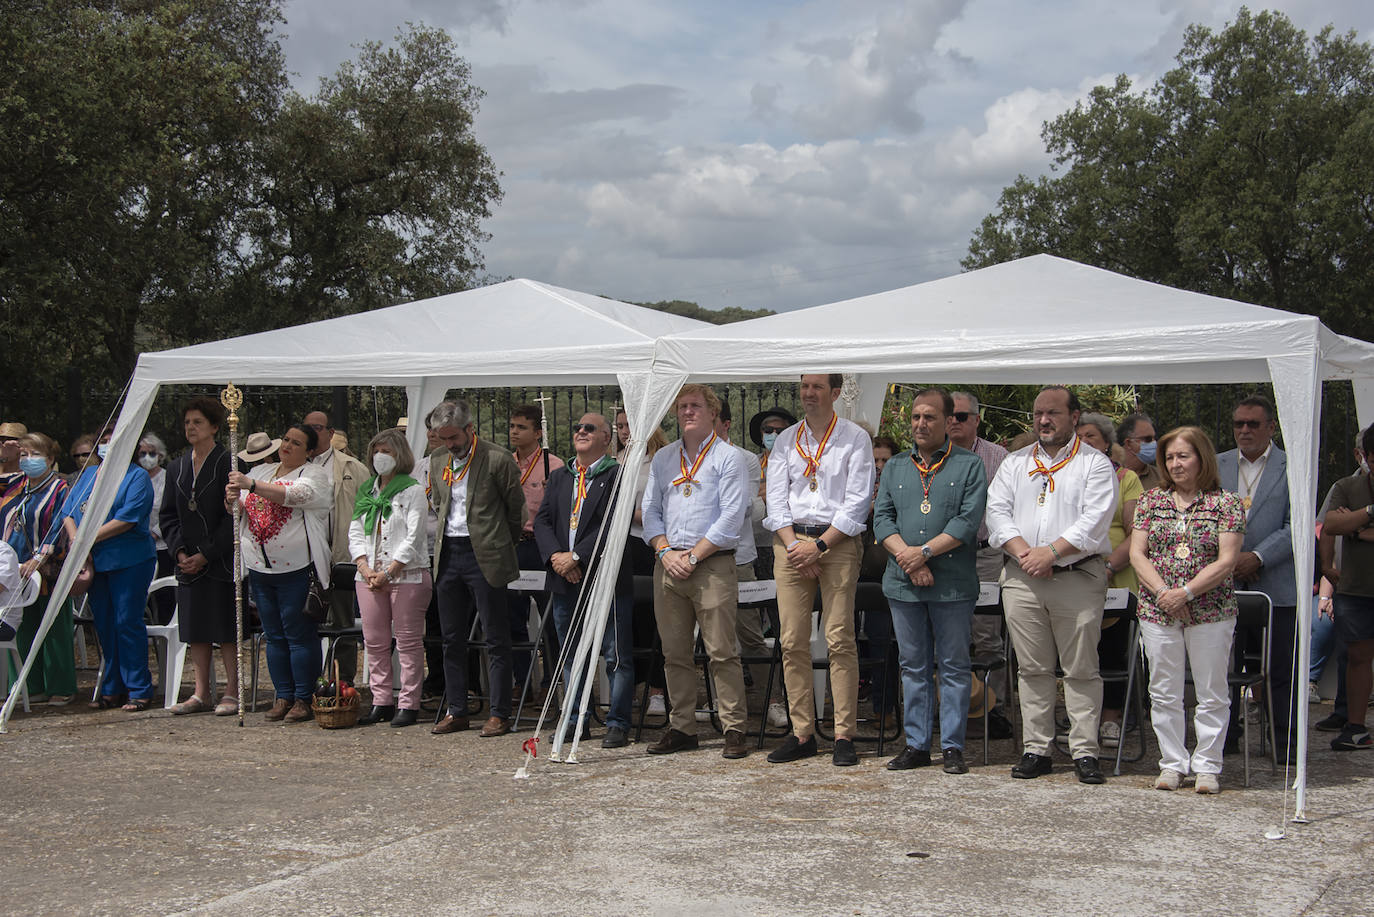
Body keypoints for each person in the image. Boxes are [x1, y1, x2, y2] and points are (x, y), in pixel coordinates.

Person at [985, 385, 1116, 784]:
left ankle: (1084, 752)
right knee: (1032, 668)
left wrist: (1051, 553)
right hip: (1023, 578)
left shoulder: (1094, 464)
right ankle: (1036, 749)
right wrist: (1027, 553)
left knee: (1080, 669)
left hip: (1076, 577)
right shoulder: (1015, 462)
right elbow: (996, 511)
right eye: (1039, 413)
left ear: (1074, 417)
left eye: (1053, 413)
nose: (1043, 420)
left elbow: (1093, 521)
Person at [873, 388, 987, 775]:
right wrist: (908, 558)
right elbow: (882, 518)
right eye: (916, 417)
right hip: (903, 582)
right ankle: (917, 744)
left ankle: (953, 746)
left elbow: (967, 523)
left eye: (930, 417)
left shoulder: (969, 465)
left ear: (948, 421)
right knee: (913, 665)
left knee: (953, 664)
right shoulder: (896, 466)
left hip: (951, 582)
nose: (921, 424)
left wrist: (923, 554)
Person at [763, 374, 874, 767]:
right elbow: (775, 500)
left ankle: (844, 734)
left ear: (836, 392)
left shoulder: (854, 438)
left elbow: (857, 502)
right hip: (792, 544)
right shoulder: (785, 440)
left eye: (817, 387)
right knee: (792, 640)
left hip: (837, 544)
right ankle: (802, 732)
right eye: (804, 387)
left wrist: (820, 545)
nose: (809, 394)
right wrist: (795, 546)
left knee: (839, 635)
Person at [1130, 426, 1245, 793]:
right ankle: (1172, 763)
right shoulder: (1151, 501)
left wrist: (1187, 593)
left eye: (1184, 456)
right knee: (1163, 690)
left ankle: (1208, 765)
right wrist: (1165, 592)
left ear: (1202, 458)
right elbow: (1137, 554)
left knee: (1211, 690)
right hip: (1158, 608)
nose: (1176, 464)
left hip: (1210, 609)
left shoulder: (1226, 503)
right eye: (1169, 458)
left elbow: (1227, 560)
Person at [641, 384, 750, 759]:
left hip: (711, 565)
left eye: (695, 406)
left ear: (712, 413)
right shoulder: (664, 459)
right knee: (675, 653)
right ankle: (682, 726)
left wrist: (692, 556)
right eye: (682, 407)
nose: (687, 412)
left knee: (721, 650)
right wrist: (664, 549)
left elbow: (732, 516)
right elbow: (650, 511)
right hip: (668, 564)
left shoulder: (728, 457)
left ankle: (734, 726)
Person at [534, 413, 635, 747]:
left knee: (614, 654)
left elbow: (612, 524)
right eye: (577, 426)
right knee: (570, 652)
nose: (580, 431)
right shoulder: (562, 476)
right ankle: (575, 718)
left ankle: (618, 722)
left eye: (589, 428)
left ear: (607, 438)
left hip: (604, 577)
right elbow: (543, 521)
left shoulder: (618, 475)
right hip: (566, 579)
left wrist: (577, 556)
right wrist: (556, 558)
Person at [427, 400, 525, 738]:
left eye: (453, 437)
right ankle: (457, 709)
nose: (449, 444)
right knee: (451, 638)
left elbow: (516, 511)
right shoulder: (438, 459)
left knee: (496, 637)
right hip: (448, 553)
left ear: (470, 429)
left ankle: (499, 713)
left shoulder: (497, 458)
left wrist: (501, 544)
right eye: (443, 438)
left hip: (485, 553)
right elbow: (439, 503)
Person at [226, 424, 332, 723]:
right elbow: (241, 510)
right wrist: (232, 497)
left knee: (298, 635)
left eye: (296, 443)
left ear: (309, 451)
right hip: (260, 569)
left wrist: (249, 485)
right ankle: (282, 694)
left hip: (296, 569)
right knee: (274, 637)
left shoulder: (314, 475)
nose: (287, 446)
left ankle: (303, 697)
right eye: (285, 439)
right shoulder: (261, 473)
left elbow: (296, 496)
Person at [1217, 395, 1298, 763]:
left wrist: (1258, 557)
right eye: (1239, 424)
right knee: (1224, 666)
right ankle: (1226, 739)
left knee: (1279, 669)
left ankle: (1284, 744)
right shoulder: (1216, 465)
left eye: (1253, 424)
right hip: (1224, 582)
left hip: (1275, 583)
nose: (1245, 430)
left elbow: (1294, 525)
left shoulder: (1293, 465)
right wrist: (1230, 559)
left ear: (1271, 427)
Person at [58, 427, 158, 711]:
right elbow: (68, 511)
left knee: (127, 622)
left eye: (114, 442)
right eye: (103, 442)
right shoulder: (89, 475)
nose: (107, 447)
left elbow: (127, 519)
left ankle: (139, 688)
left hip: (130, 561)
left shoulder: (137, 477)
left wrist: (87, 538)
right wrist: (78, 539)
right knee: (104, 625)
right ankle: (112, 688)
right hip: (95, 561)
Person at [161, 397, 239, 717]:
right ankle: (201, 691)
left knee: (225, 627)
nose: (191, 428)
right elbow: (168, 515)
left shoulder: (228, 461)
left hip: (219, 559)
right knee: (195, 629)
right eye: (187, 423)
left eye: (198, 422)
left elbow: (232, 516)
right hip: (187, 560)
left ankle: (233, 690)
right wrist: (180, 551)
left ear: (214, 427)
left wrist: (207, 553)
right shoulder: (177, 466)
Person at [349, 428, 431, 728]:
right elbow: (356, 530)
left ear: (401, 456)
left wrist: (390, 571)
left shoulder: (412, 490)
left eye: (388, 452)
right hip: (369, 577)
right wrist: (364, 567)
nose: (380, 457)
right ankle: (381, 700)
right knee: (375, 641)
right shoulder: (367, 490)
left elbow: (414, 535)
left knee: (408, 642)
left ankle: (409, 702)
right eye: (376, 451)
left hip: (405, 575)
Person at [947, 390, 1014, 740]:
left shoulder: (999, 457)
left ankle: (993, 706)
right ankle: (952, 706)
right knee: (947, 633)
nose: (954, 422)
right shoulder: (932, 455)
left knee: (986, 633)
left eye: (961, 416)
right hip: (943, 556)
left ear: (976, 419)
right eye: (950, 416)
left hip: (984, 553)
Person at [1076, 412, 1141, 748]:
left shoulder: (1125, 477)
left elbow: (1136, 532)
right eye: (1079, 436)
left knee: (1112, 652)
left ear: (1106, 444)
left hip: (1114, 575)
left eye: (1091, 437)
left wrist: (1109, 567)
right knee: (1079, 653)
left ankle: (1111, 719)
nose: (1083, 442)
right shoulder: (1065, 476)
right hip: (1073, 576)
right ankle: (1081, 721)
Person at [715, 401, 779, 726]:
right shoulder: (682, 458)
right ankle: (723, 705)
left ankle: (772, 699)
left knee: (750, 634)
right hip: (699, 559)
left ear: (725, 423)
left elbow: (750, 510)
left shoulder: (745, 459)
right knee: (714, 638)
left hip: (738, 556)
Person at [3, 432, 76, 703]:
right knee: (23, 627)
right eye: (24, 455)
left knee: (54, 626)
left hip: (49, 567)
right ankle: (29, 686)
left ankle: (60, 686)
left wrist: (40, 557)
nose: (28, 460)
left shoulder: (60, 489)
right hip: (17, 567)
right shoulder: (15, 487)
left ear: (51, 458)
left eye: (35, 454)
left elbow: (60, 525)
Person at [304, 409, 369, 685]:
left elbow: (368, 512)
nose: (311, 432)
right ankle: (307, 684)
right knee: (305, 621)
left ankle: (343, 683)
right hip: (303, 558)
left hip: (341, 556)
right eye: (306, 427)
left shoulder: (352, 467)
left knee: (342, 623)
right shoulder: (293, 465)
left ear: (331, 433)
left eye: (317, 428)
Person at [1319, 423, 1374, 751]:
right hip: (1355, 588)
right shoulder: (1346, 486)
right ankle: (1355, 727)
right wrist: (1367, 513)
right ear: (1366, 457)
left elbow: (1344, 525)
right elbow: (1332, 525)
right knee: (1357, 657)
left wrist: (1358, 529)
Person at [615, 408, 671, 716]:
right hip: (621, 544)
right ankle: (633, 685)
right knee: (628, 618)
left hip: (646, 541)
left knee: (651, 618)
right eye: (620, 426)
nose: (625, 431)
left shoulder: (661, 459)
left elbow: (660, 507)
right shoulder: (617, 460)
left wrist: (628, 514)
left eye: (630, 425)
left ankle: (657, 689)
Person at [507, 404, 563, 700]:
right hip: (511, 547)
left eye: (521, 427)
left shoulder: (552, 465)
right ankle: (522, 678)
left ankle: (550, 681)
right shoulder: (505, 463)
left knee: (550, 618)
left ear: (537, 432)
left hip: (539, 546)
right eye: (512, 426)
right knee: (512, 617)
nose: (514, 432)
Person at [139, 432, 175, 625]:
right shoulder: (136, 478)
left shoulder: (167, 478)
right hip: (138, 543)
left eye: (151, 453)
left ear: (160, 455)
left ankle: (165, 628)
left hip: (161, 545)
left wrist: (154, 533)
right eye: (142, 453)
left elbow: (170, 509)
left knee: (163, 591)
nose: (147, 457)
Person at [1117, 413, 1161, 492]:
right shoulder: (1109, 475)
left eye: (1155, 438)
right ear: (1129, 443)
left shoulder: (1161, 477)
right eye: (1148, 439)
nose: (1154, 443)